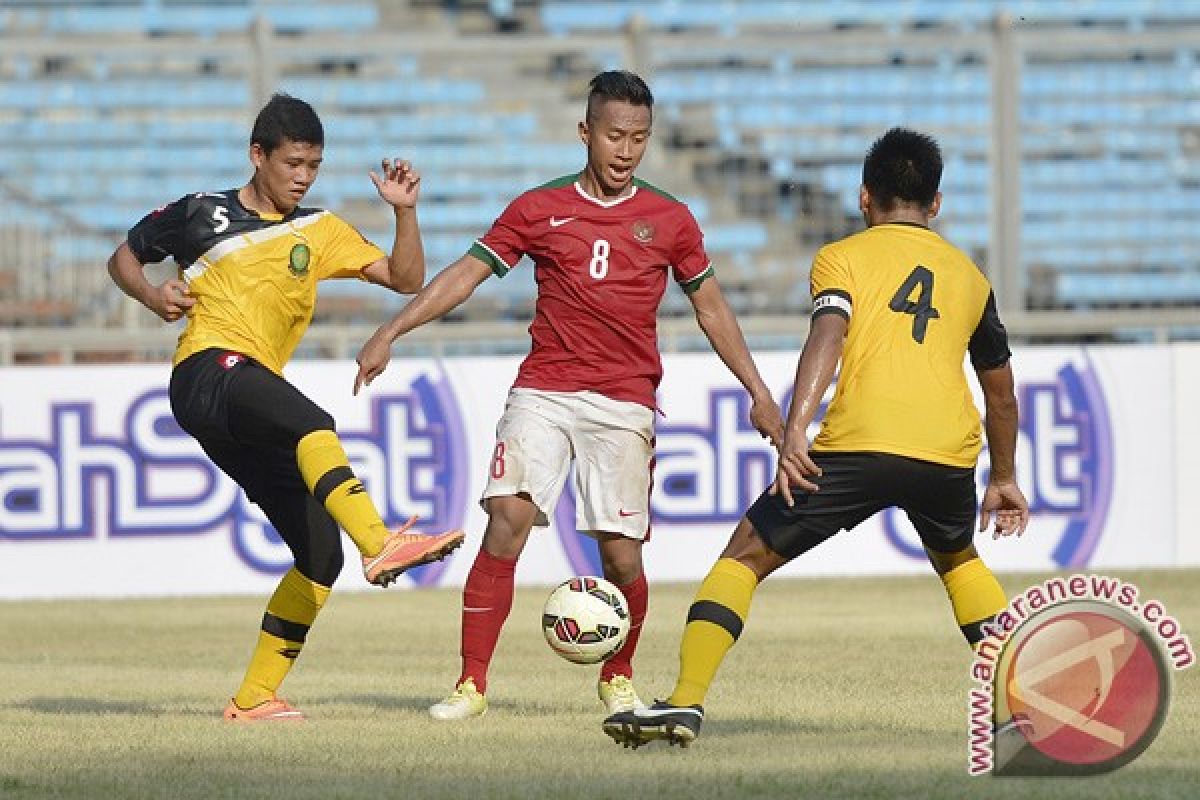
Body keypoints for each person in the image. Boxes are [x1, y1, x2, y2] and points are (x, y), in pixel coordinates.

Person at [354, 70, 784, 721]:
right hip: (545, 391)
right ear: (586, 132)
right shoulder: (537, 207)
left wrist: (759, 392)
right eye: (615, 135)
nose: (626, 150)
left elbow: (714, 309)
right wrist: (392, 329)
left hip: (624, 401)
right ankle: (471, 684)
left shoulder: (670, 219)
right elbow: (468, 273)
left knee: (620, 553)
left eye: (639, 138)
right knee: (507, 520)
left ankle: (618, 674)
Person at [602, 127, 1030, 748]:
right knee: (960, 562)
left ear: (864, 198)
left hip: (859, 441)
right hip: (946, 454)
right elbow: (1001, 391)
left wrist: (796, 428)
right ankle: (1021, 709)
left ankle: (686, 702)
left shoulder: (843, 256)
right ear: (935, 205)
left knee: (743, 557)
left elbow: (828, 334)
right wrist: (1005, 477)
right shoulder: (971, 277)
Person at [107, 93, 465, 722]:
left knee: (320, 552)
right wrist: (149, 294)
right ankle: (379, 541)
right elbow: (124, 256)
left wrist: (406, 214)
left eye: (314, 166)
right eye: (293, 162)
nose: (303, 176)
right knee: (312, 423)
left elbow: (405, 278)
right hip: (206, 371)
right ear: (259, 156)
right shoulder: (200, 214)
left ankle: (253, 698)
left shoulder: (319, 230)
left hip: (241, 405)